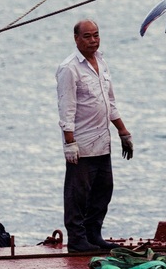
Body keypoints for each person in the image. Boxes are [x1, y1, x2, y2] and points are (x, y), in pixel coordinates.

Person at [56, 19, 133, 253]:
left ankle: (93, 233)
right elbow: (66, 108)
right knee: (78, 193)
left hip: (103, 140)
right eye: (87, 36)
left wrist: (122, 130)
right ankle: (77, 240)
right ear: (76, 39)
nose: (93, 41)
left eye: (96, 35)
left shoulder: (101, 61)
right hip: (82, 142)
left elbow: (109, 102)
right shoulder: (69, 68)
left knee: (103, 189)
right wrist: (69, 143)